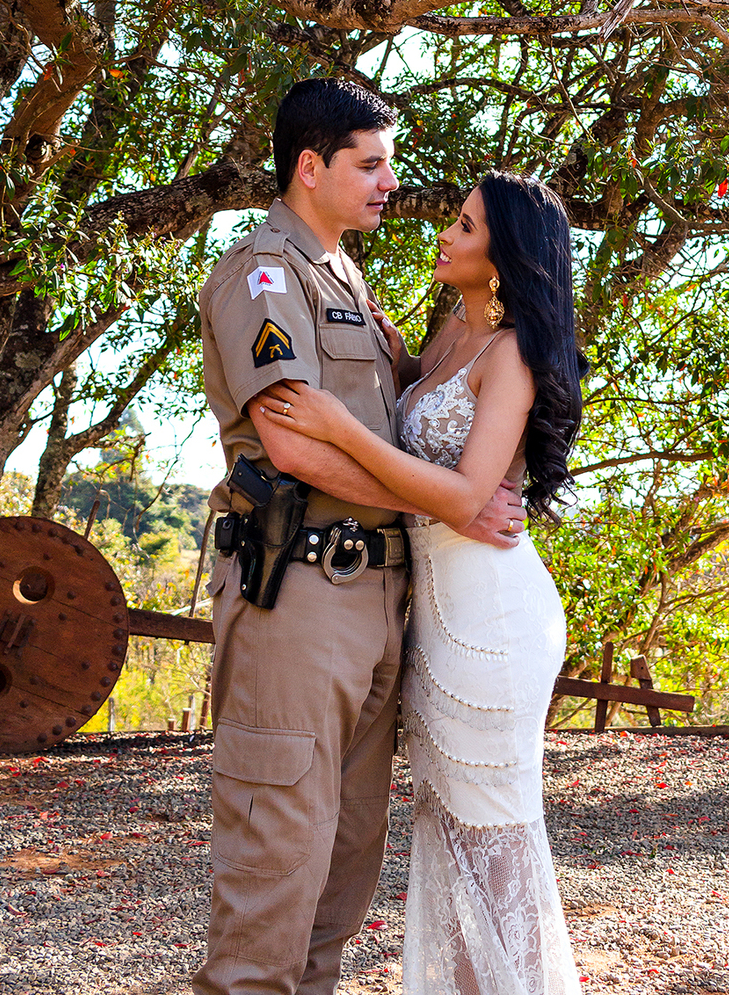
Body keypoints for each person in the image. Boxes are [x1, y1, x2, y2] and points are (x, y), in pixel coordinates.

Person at [194, 80, 526, 995]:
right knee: (275, 869)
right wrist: (447, 504)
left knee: (341, 870)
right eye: (369, 164)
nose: (389, 182)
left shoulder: (343, 273)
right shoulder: (265, 275)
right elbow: (294, 442)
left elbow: (393, 412)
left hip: (379, 597)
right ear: (311, 167)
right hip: (298, 592)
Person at [254, 169, 585, 995]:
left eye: (465, 228)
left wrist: (336, 428)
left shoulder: (512, 356)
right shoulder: (448, 334)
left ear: (502, 255)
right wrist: (389, 348)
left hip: (493, 619)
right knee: (448, 828)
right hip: (432, 616)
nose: (445, 234)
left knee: (496, 832)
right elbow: (419, 420)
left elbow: (470, 495)